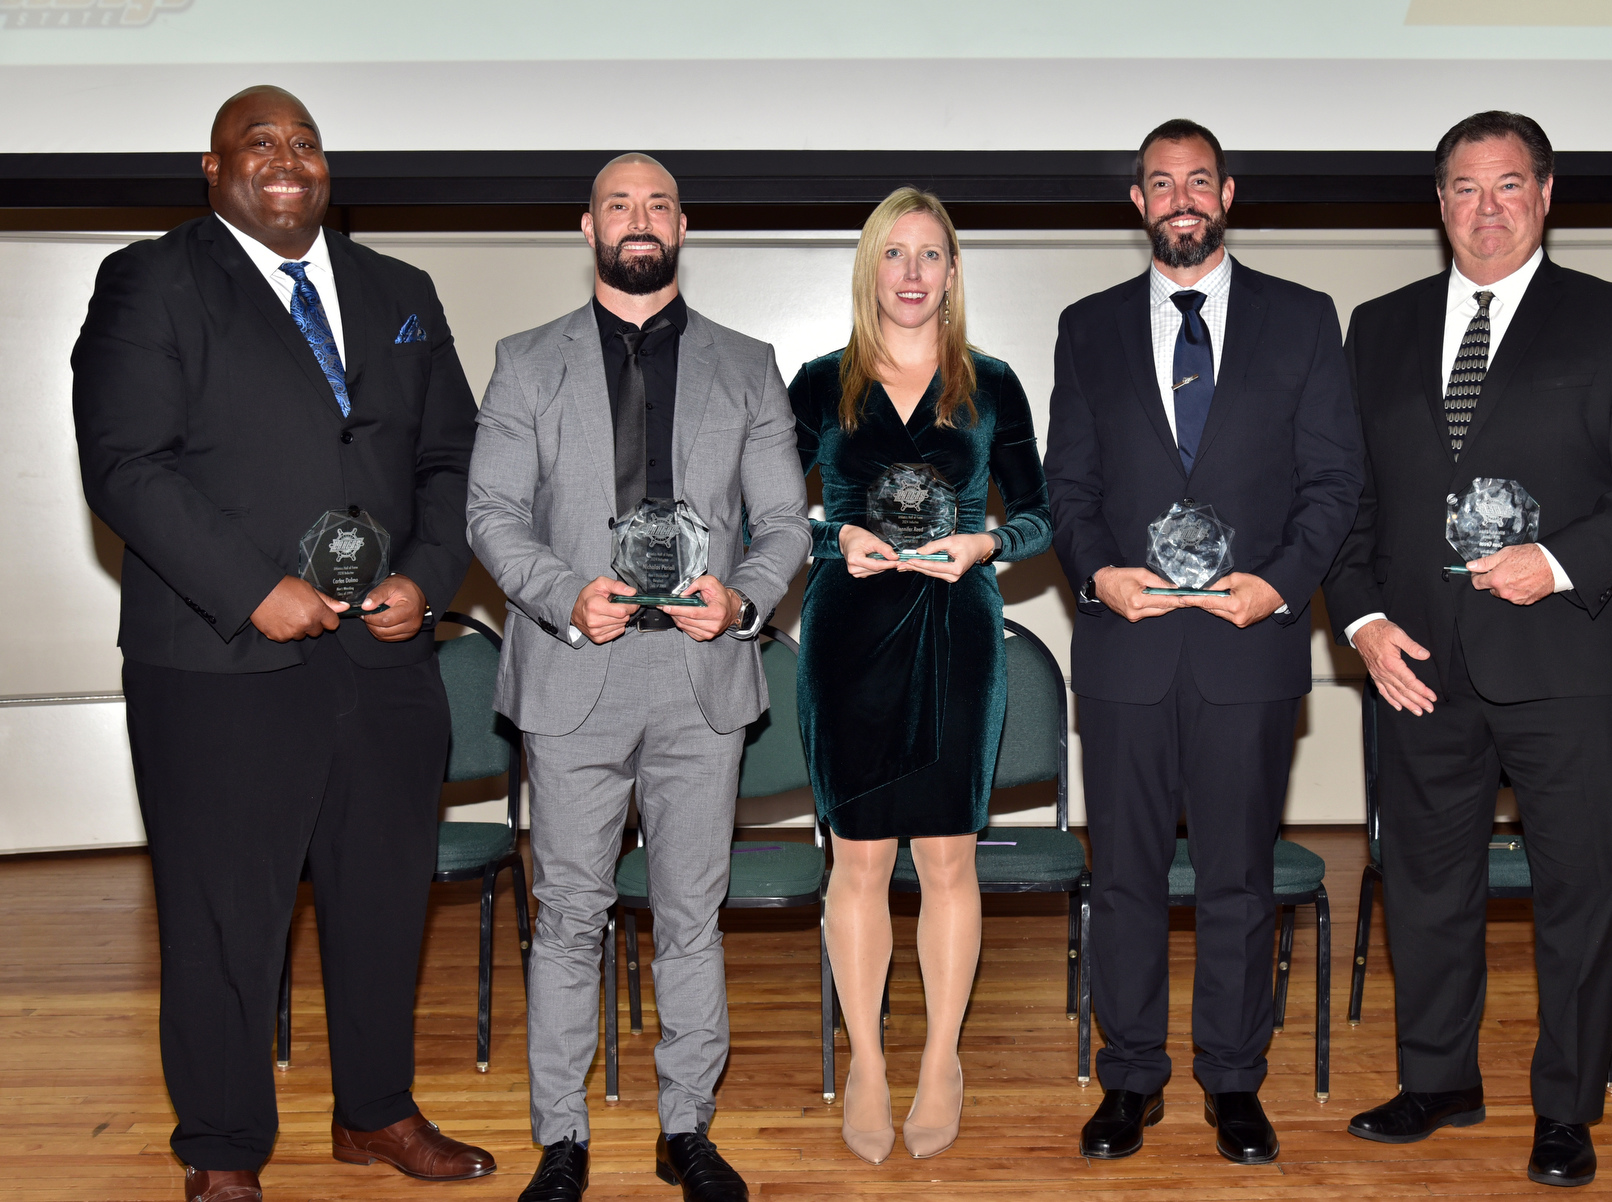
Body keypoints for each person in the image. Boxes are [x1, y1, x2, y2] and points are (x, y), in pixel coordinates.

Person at [70, 86, 492, 1202]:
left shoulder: (400, 291)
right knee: (223, 914)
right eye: (260, 142)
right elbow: (123, 461)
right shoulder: (152, 280)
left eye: (305, 142)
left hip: (387, 658)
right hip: (221, 663)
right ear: (211, 169)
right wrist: (255, 587)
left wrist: (429, 575)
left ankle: (376, 1110)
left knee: (384, 896)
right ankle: (220, 1147)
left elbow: (454, 458)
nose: (288, 159)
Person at [1322, 111, 1612, 1189]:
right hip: (1419, 665)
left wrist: (1563, 559)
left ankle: (1567, 1103)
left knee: (1580, 891)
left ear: (1545, 193)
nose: (1484, 209)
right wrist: (1358, 621)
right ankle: (1437, 1077)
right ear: (1436, 202)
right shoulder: (1379, 327)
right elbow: (1345, 500)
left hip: (1572, 662)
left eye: (1505, 187)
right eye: (1461, 188)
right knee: (1427, 886)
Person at [466, 153, 810, 1202]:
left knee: (689, 915)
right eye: (620, 202)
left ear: (683, 224)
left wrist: (745, 596)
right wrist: (564, 592)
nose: (640, 218)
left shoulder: (748, 364)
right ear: (588, 227)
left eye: (657, 202)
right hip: (578, 670)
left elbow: (787, 520)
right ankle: (560, 1137)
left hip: (700, 676)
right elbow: (491, 513)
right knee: (569, 914)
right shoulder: (526, 362)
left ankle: (686, 1129)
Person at [1043, 119, 1363, 1166]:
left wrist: (1278, 587)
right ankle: (1131, 1074)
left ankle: (1233, 1079)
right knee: (1125, 876)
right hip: (1127, 650)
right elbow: (1070, 485)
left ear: (1227, 192)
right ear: (1137, 203)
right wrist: (1095, 574)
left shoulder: (1304, 319)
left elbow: (1333, 482)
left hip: (1248, 647)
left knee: (1238, 875)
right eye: (1159, 183)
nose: (1180, 198)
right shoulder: (1086, 327)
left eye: (1198, 180)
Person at [789, 188, 1053, 1165]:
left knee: (948, 857)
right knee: (857, 857)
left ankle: (940, 1055)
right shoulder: (820, 384)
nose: (910, 273)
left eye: (929, 254)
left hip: (958, 635)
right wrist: (834, 530)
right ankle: (867, 1060)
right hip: (849, 634)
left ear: (952, 269)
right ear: (871, 269)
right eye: (893, 255)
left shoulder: (992, 384)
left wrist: (986, 542)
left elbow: (1042, 512)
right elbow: (762, 510)